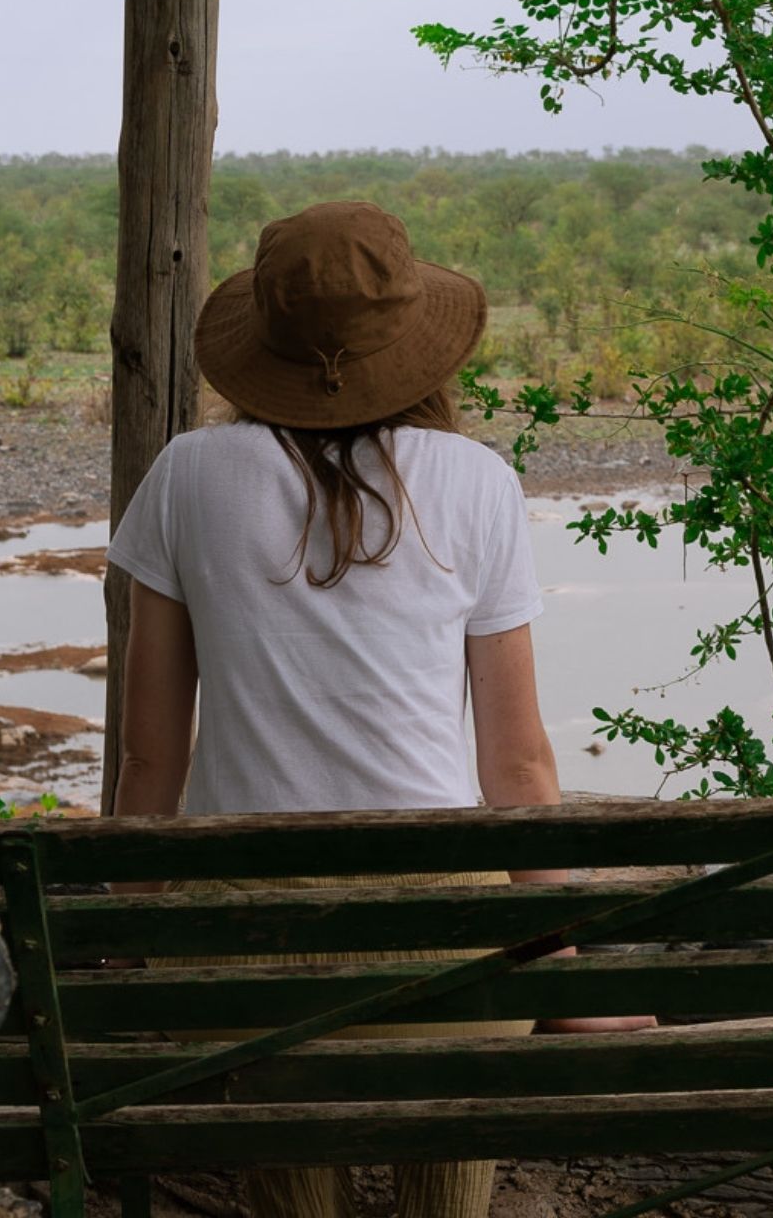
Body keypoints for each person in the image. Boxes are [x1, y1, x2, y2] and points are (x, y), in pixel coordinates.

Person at [106, 199, 645, 1218]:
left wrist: (140, 941)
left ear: (260, 340)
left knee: (283, 1114)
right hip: (443, 961)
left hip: (237, 964)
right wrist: (565, 974)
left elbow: (148, 754)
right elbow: (519, 767)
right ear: (412, 345)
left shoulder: (184, 476)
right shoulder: (476, 482)